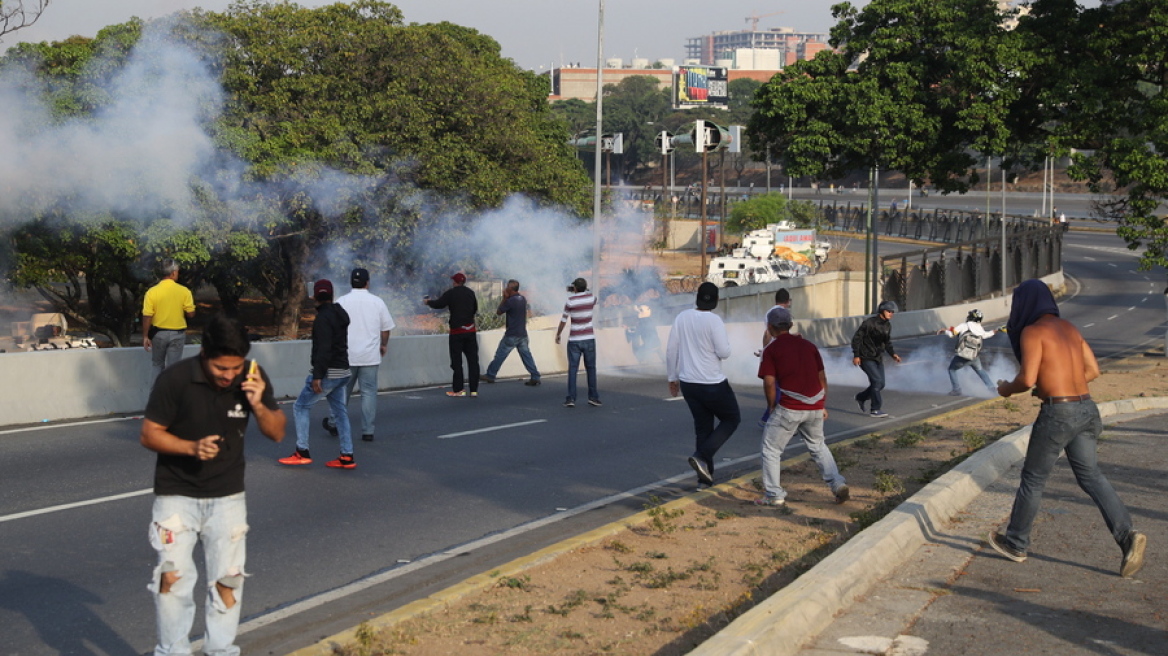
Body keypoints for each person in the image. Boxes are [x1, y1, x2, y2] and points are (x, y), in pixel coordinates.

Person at [140, 314, 286, 656]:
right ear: (204, 353)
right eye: (222, 368)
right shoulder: (175, 379)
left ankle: (221, 651)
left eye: (235, 367)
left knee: (227, 581)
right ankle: (172, 651)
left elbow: (277, 432)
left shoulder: (252, 376)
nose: (229, 376)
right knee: (172, 581)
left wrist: (258, 403)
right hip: (176, 497)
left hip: (228, 498)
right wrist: (190, 448)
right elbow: (149, 434)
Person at [988, 280, 1147, 578]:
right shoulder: (1070, 328)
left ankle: (1016, 543)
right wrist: (1056, 384)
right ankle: (1127, 535)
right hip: (1086, 408)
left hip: (1058, 413)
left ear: (1024, 304)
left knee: (1033, 479)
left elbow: (1026, 379)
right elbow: (1093, 371)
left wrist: (1006, 389)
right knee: (1092, 476)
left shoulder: (1032, 332)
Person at [756, 306, 847, 507]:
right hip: (815, 406)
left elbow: (769, 382)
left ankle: (773, 494)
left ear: (769, 327)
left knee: (771, 449)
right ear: (790, 325)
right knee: (818, 446)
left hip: (790, 408)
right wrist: (821, 404)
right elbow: (822, 378)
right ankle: (837, 483)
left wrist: (771, 406)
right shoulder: (809, 346)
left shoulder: (771, 350)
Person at [666, 282, 740, 486]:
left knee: (703, 429)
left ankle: (704, 480)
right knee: (732, 418)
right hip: (712, 382)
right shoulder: (714, 321)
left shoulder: (682, 317)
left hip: (689, 383)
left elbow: (671, 349)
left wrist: (672, 377)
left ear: (697, 297)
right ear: (716, 300)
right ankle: (702, 456)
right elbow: (724, 352)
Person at [279, 279, 355, 468]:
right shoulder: (340, 314)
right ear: (331, 295)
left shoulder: (322, 319)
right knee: (340, 413)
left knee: (300, 407)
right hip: (343, 371)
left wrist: (318, 376)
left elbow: (323, 349)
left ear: (314, 297)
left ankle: (302, 451)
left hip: (329, 372)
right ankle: (347, 455)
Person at [324, 268, 395, 442]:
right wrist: (383, 345)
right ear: (367, 283)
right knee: (368, 393)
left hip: (346, 356)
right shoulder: (377, 302)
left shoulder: (342, 301)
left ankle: (334, 423)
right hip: (370, 356)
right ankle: (368, 431)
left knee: (342, 392)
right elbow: (385, 328)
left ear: (351, 282)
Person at [424, 272, 480, 397]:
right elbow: (475, 308)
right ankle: (474, 390)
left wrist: (428, 302)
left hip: (457, 332)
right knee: (473, 361)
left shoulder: (451, 293)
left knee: (457, 362)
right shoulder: (470, 293)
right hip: (470, 331)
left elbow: (439, 304)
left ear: (455, 282)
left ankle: (459, 389)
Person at [142, 259, 196, 382]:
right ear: (173, 273)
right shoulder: (184, 291)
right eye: (177, 272)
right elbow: (191, 314)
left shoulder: (152, 292)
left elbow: (147, 315)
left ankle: (156, 392)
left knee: (157, 365)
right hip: (177, 334)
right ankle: (172, 393)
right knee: (174, 367)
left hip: (158, 334)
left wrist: (145, 336)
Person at [483, 279, 541, 386]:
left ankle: (490, 375)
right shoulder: (522, 299)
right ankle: (535, 376)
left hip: (512, 334)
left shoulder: (510, 301)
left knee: (500, 355)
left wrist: (504, 298)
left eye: (507, 287)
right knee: (527, 356)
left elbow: (499, 312)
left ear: (510, 288)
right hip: (522, 334)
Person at [851, 300, 902, 418]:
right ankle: (875, 409)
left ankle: (861, 397)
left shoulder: (887, 325)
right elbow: (856, 339)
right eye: (889, 311)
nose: (891, 314)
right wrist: (856, 355)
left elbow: (887, 342)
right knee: (877, 381)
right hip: (865, 357)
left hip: (878, 358)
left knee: (881, 384)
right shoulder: (869, 323)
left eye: (892, 312)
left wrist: (893, 354)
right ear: (882, 311)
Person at [555, 277, 600, 407]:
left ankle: (571, 398)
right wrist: (582, 290)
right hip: (589, 338)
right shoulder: (591, 298)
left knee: (573, 369)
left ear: (574, 288)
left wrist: (558, 334)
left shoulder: (570, 301)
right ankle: (593, 397)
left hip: (574, 340)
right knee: (591, 369)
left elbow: (564, 320)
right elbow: (593, 297)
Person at [941, 309, 997, 396]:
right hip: (974, 356)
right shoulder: (979, 328)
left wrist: (944, 331)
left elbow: (952, 334)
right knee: (980, 371)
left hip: (962, 356)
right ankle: (992, 388)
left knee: (952, 370)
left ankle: (956, 389)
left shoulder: (964, 325)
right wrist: (995, 331)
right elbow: (986, 335)